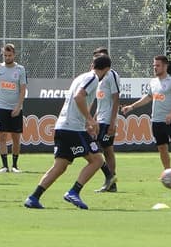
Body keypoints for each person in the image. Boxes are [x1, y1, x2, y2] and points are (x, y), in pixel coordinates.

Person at [24, 55, 112, 210]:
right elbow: (79, 97)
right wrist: (90, 120)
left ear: (92, 64)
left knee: (60, 166)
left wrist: (86, 123)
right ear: (107, 70)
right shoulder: (93, 78)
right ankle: (74, 192)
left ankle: (33, 197)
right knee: (97, 160)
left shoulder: (81, 77)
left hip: (62, 126)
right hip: (72, 128)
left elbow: (75, 101)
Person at [121, 55, 171, 180]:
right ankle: (167, 173)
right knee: (162, 148)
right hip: (156, 121)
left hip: (169, 121)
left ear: (165, 66)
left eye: (158, 65)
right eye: (154, 66)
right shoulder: (153, 82)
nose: (155, 68)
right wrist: (131, 107)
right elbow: (148, 97)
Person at [0, 43, 27, 173]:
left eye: (9, 55)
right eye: (5, 55)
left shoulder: (20, 69)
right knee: (2, 136)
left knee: (16, 137)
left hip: (15, 108)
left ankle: (15, 165)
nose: (7, 57)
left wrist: (18, 106)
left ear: (14, 55)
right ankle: (4, 166)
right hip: (1, 106)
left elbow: (22, 90)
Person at [91, 47, 121, 193]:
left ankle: (111, 181)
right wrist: (94, 119)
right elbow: (101, 101)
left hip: (108, 119)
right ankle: (110, 181)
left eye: (100, 57)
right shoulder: (97, 78)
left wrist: (112, 122)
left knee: (106, 149)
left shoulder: (112, 75)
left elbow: (116, 99)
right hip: (100, 119)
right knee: (102, 149)